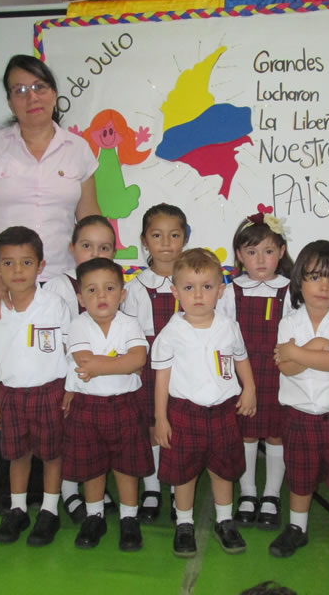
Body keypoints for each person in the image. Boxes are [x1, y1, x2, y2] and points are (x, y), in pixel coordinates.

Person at [0, 54, 100, 513]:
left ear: (54, 93)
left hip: (59, 285)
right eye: (19, 90)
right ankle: (12, 487)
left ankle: (58, 489)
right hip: (2, 285)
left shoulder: (77, 150)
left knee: (55, 385)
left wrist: (94, 283)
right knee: (10, 383)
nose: (30, 97)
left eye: (38, 87)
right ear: (9, 100)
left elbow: (90, 223)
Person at [269, 241, 329, 577]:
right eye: (314, 277)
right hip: (298, 415)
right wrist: (314, 347)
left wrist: (297, 353)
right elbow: (286, 368)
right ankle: (297, 528)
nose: (323, 287)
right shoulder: (289, 321)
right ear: (299, 282)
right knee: (299, 476)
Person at [152, 249, 257, 557]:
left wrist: (248, 387)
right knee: (183, 472)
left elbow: (241, 358)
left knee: (223, 470)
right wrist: (161, 418)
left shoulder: (228, 326)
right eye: (188, 287)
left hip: (224, 411)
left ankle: (225, 520)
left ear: (220, 290)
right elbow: (161, 380)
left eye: (207, 287)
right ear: (175, 291)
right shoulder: (171, 334)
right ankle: (184, 523)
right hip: (185, 413)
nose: (198, 295)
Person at [0, 227, 71, 547]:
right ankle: (18, 509)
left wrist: (70, 389)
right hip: (11, 394)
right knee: (17, 454)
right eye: (8, 263)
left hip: (50, 391)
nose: (17, 271)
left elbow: (68, 350)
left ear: (41, 266)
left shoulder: (54, 305)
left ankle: (49, 510)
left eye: (26, 263)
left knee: (51, 454)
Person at [63, 258, 153, 551]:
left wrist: (102, 366)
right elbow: (83, 361)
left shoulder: (130, 323)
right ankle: (94, 516)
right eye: (91, 290)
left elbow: (139, 359)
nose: (101, 296)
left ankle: (129, 518)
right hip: (87, 407)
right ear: (80, 298)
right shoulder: (78, 326)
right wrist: (120, 363)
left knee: (126, 466)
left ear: (122, 294)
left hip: (126, 405)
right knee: (93, 466)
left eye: (109, 288)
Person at [221, 210, 294, 531]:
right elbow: (223, 337)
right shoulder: (231, 291)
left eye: (268, 251)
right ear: (239, 255)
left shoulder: (291, 290)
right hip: (244, 374)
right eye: (251, 252)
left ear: (281, 252)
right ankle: (248, 492)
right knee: (246, 432)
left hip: (280, 373)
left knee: (276, 434)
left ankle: (271, 494)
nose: (261, 260)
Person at [43, 215, 116, 523]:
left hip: (97, 376)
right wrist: (73, 377)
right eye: (87, 246)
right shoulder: (59, 286)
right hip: (68, 377)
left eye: (104, 247)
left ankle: (94, 487)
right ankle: (69, 490)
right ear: (72, 248)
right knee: (69, 437)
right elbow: (58, 340)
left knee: (94, 437)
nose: (95, 253)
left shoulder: (113, 284)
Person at [121, 204, 188, 522]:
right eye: (157, 235)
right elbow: (131, 333)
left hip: (184, 363)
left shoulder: (192, 283)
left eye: (174, 235)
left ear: (184, 239)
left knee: (178, 423)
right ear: (145, 241)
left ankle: (177, 487)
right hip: (147, 364)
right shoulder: (135, 287)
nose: (166, 243)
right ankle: (151, 486)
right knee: (150, 424)